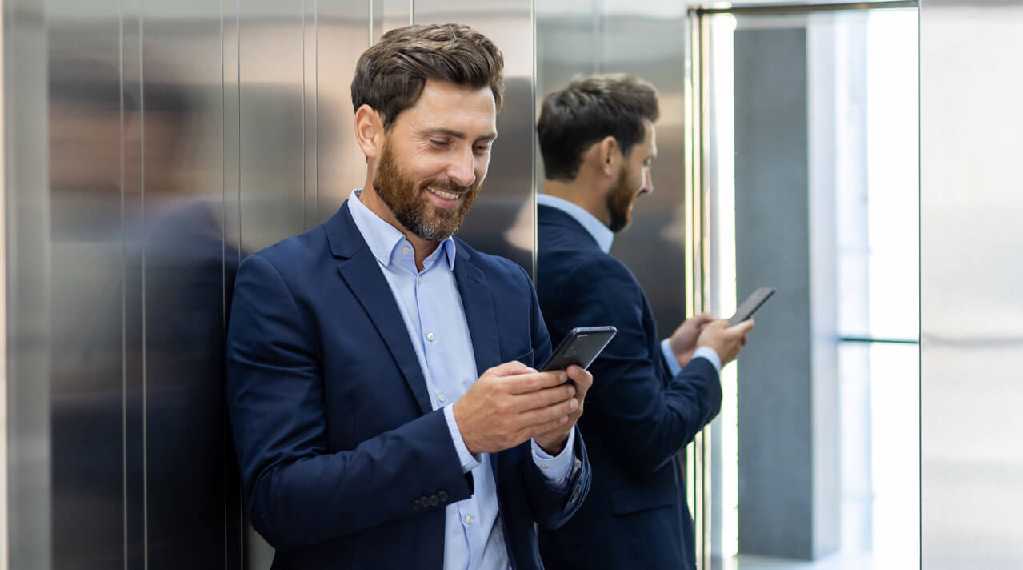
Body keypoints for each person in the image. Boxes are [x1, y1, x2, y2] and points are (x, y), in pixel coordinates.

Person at [226, 24, 592, 570]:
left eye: (481, 147)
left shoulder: (507, 286)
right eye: (440, 142)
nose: (464, 172)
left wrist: (553, 443)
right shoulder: (284, 285)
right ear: (370, 131)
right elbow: (282, 502)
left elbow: (550, 510)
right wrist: (459, 434)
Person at [534, 74, 754, 569]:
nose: (649, 182)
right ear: (609, 155)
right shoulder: (596, 274)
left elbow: (596, 393)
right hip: (622, 548)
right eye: (646, 160)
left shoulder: (527, 253)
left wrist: (666, 359)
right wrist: (709, 360)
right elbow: (648, 437)